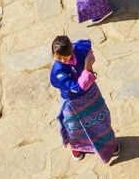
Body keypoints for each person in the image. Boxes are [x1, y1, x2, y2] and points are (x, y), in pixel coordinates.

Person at [49, 36, 118, 165]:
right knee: (75, 127)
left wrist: (90, 57)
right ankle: (77, 147)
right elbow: (79, 87)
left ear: (72, 50)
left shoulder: (78, 48)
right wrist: (87, 66)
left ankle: (109, 144)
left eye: (65, 56)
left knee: (101, 119)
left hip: (92, 95)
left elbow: (87, 43)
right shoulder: (58, 72)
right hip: (73, 103)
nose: (62, 60)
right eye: (58, 57)